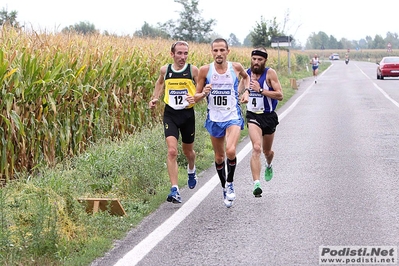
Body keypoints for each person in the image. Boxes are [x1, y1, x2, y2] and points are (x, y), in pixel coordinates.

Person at [195, 38, 250, 208]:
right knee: (219, 157)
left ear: (228, 51)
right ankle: (224, 186)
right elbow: (196, 97)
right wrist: (203, 93)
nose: (219, 54)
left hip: (232, 115)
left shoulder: (236, 67)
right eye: (215, 51)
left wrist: (246, 91)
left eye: (222, 50)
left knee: (231, 150)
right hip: (214, 119)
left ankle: (231, 182)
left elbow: (246, 77)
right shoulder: (205, 71)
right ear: (211, 52)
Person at [149, 41, 199, 204]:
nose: (183, 57)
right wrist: (155, 97)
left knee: (188, 152)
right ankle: (175, 189)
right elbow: (160, 82)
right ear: (172, 54)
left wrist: (197, 96)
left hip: (187, 114)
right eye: (179, 53)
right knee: (172, 151)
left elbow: (201, 87)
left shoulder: (193, 70)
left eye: (185, 53)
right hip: (170, 113)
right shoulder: (166, 70)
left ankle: (191, 169)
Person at [239, 47, 283, 197]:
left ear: (265, 61)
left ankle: (269, 164)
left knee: (267, 151)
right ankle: (256, 183)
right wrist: (242, 96)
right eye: (254, 59)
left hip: (268, 116)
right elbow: (238, 92)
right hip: (253, 116)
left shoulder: (270, 73)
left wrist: (260, 90)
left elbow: (280, 95)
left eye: (260, 60)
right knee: (256, 148)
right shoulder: (246, 74)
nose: (256, 62)